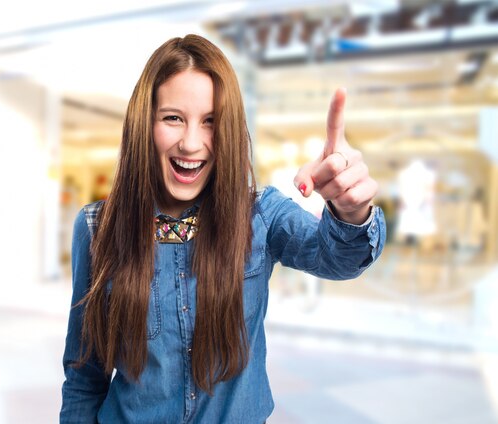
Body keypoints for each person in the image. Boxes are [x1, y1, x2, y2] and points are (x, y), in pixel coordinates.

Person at [60, 34, 385, 424]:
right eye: (173, 118)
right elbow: (84, 377)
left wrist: (351, 211)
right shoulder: (98, 228)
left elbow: (338, 258)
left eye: (211, 122)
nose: (192, 143)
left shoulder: (260, 214)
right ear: (144, 124)